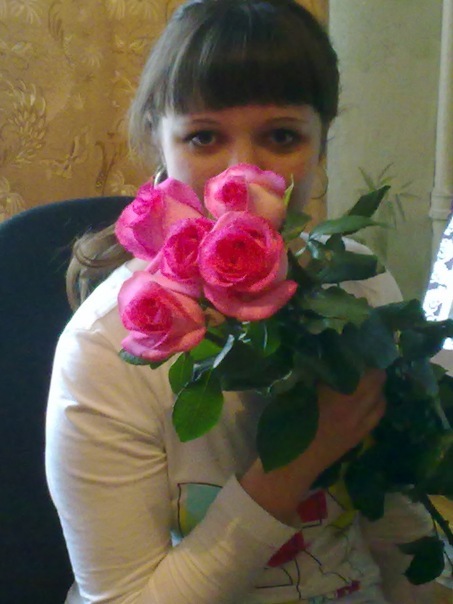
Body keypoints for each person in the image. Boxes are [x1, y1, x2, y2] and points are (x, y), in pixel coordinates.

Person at [45, 1, 435, 603]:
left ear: (321, 142)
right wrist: (298, 461)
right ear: (159, 141)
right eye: (204, 137)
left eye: (282, 137)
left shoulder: (357, 288)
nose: (243, 175)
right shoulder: (105, 349)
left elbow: (395, 517)